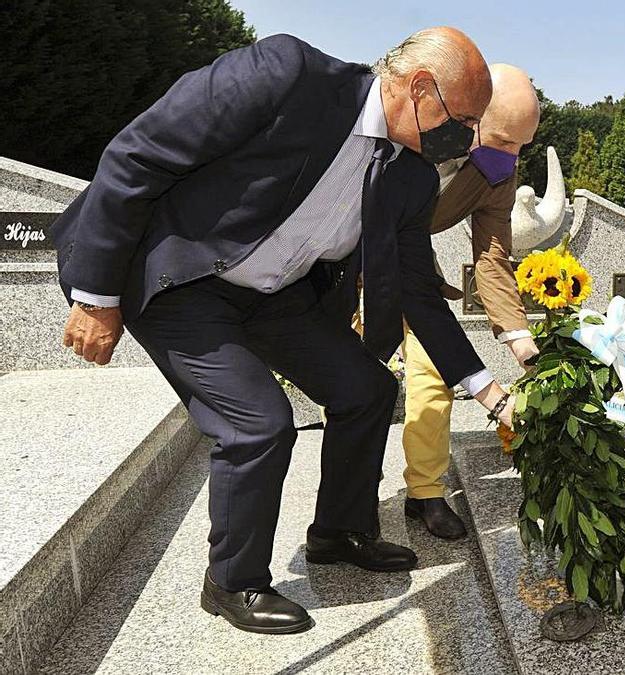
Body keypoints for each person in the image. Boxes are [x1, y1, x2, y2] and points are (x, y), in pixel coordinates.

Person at [51, 28, 516, 635]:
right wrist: (96, 296)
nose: (468, 139)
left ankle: (341, 532)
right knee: (258, 423)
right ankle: (233, 581)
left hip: (274, 295)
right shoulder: (286, 75)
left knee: (368, 391)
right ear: (420, 88)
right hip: (180, 276)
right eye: (464, 120)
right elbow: (139, 154)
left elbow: (417, 292)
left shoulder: (412, 177)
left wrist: (489, 391)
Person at [401, 63, 541, 539]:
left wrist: (520, 339)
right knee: (355, 392)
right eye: (503, 140)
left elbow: (492, 253)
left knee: (431, 378)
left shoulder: (500, 167)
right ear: (470, 116)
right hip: (356, 263)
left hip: (416, 274)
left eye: (522, 145)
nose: (511, 157)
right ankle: (343, 508)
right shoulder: (415, 137)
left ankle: (424, 494)